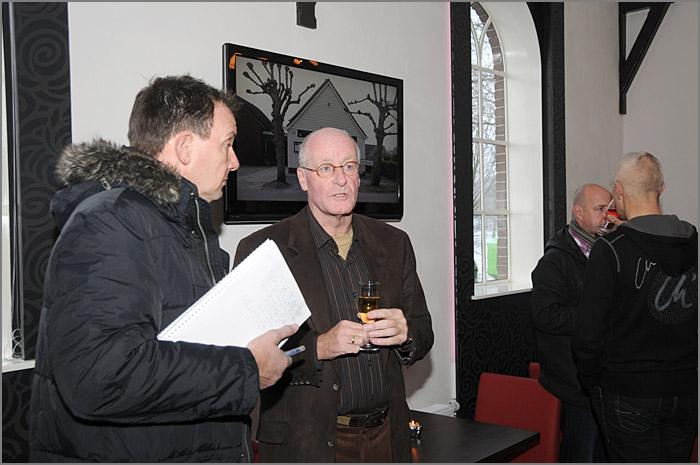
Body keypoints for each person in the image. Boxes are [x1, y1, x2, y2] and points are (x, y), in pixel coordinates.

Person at [29, 75, 297, 462]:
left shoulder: (183, 227)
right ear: (185, 147)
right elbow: (100, 376)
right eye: (228, 144)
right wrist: (247, 369)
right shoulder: (111, 221)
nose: (235, 161)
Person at [234, 127, 434, 462]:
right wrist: (319, 346)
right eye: (326, 168)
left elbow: (423, 331)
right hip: (306, 443)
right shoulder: (263, 251)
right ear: (303, 179)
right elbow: (248, 357)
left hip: (387, 438)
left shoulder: (394, 243)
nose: (341, 179)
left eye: (350, 167)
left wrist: (406, 334)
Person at [573, 152, 698, 462]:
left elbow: (587, 334)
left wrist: (594, 382)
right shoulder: (694, 243)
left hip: (626, 391)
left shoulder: (611, 250)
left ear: (618, 190)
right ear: (662, 188)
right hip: (686, 389)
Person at [531, 183, 611, 462]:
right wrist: (594, 318)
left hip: (603, 378)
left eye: (610, 210)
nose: (607, 217)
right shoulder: (554, 261)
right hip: (574, 382)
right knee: (581, 454)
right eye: (600, 209)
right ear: (579, 213)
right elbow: (545, 315)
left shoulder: (607, 251)